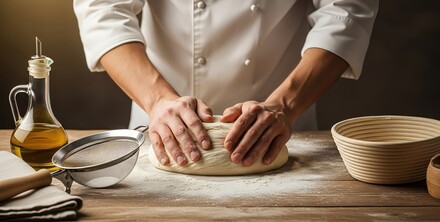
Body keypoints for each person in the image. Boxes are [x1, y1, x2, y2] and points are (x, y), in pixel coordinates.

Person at [74, 0, 379, 168]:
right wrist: (157, 101)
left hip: (281, 129)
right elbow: (102, 8)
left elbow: (346, 11)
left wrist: (284, 104)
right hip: (160, 124)